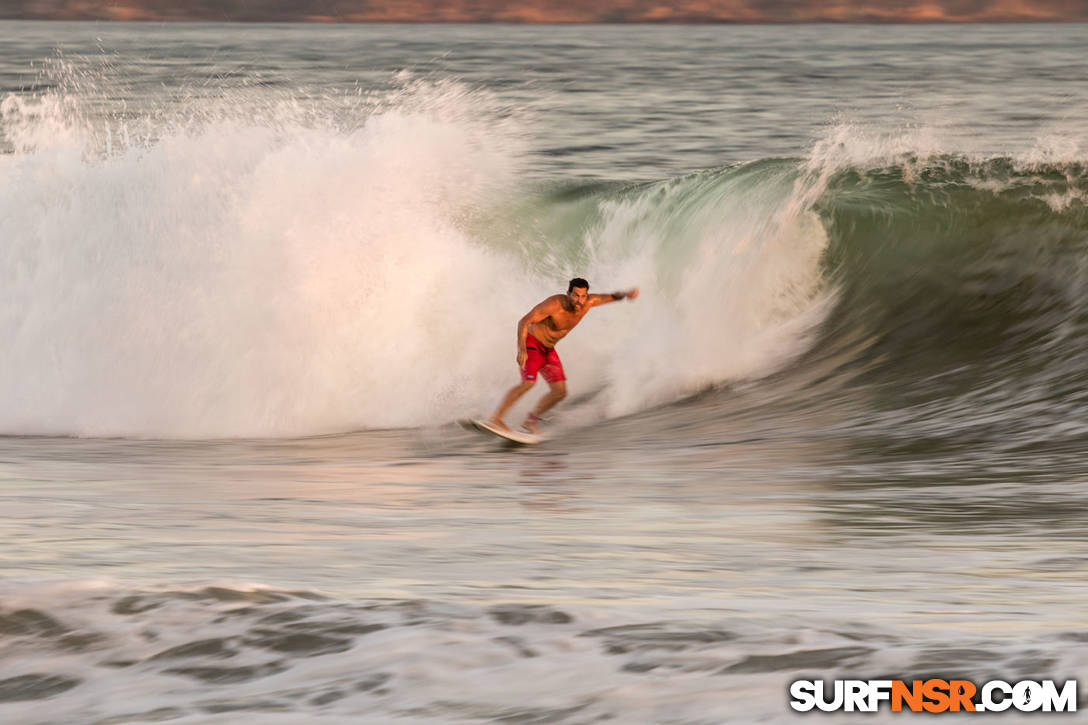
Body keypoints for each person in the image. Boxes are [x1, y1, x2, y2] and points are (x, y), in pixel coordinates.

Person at [489, 278, 639, 434]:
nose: (579, 300)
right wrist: (521, 349)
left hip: (548, 350)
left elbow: (611, 296)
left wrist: (627, 293)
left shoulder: (589, 302)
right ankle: (496, 419)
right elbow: (524, 321)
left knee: (560, 392)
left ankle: (530, 421)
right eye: (575, 295)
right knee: (528, 383)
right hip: (532, 344)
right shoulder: (554, 305)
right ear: (568, 293)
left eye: (583, 296)